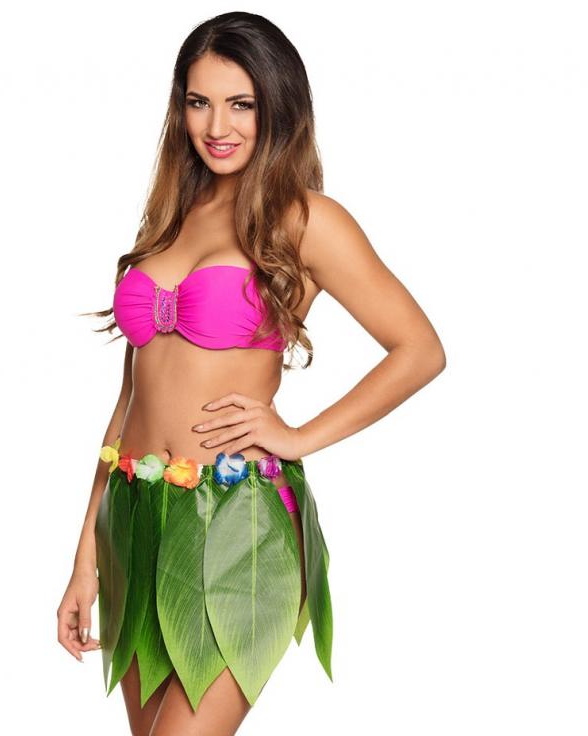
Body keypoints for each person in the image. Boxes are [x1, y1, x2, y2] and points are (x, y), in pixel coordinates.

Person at [58, 11, 446, 736]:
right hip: (136, 521)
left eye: (241, 104)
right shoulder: (170, 218)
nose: (218, 126)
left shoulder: (306, 219)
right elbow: (129, 401)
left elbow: (419, 349)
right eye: (199, 102)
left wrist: (298, 436)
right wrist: (86, 558)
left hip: (237, 521)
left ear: (278, 106)